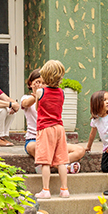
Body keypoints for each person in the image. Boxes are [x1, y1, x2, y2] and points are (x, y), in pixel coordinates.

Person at [21, 70, 85, 173]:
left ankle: (48, 165)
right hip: (34, 140)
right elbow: (25, 104)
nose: (40, 85)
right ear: (30, 83)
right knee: (32, 147)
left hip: (52, 139)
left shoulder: (50, 97)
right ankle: (65, 167)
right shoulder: (27, 98)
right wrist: (37, 95)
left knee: (80, 150)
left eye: (43, 83)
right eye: (37, 82)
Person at [34, 60, 70, 199]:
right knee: (61, 160)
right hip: (59, 128)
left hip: (45, 128)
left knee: (45, 161)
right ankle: (64, 189)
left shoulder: (40, 92)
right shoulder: (61, 92)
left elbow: (38, 108)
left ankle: (46, 190)